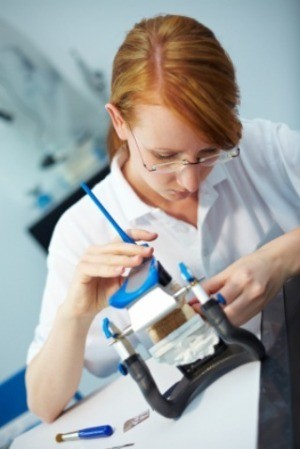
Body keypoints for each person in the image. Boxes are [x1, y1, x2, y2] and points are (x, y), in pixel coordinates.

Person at [26, 14, 300, 423]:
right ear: (119, 121)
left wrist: (281, 258)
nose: (189, 180)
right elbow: (44, 406)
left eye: (210, 151)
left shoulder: (263, 146)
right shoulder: (82, 231)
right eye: (164, 157)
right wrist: (75, 314)